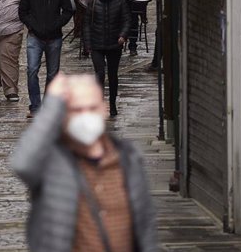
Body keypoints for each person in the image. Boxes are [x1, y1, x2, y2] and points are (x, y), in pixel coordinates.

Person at [9, 73, 157, 252]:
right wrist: (52, 104)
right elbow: (22, 164)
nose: (85, 116)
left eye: (92, 108)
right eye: (77, 110)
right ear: (63, 116)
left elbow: (145, 225)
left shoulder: (128, 158)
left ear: (103, 109)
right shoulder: (51, 162)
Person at [18, 0, 73, 118]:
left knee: (52, 74)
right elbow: (23, 12)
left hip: (54, 37)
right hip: (35, 36)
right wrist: (32, 26)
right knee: (32, 70)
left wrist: (57, 24)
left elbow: (68, 11)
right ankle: (35, 106)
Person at [83, 0, 131, 117]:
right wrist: (88, 44)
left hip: (114, 44)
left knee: (113, 74)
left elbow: (126, 20)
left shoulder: (120, 2)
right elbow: (87, 24)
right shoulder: (93, 2)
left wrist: (122, 35)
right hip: (97, 44)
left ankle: (112, 103)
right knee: (100, 74)